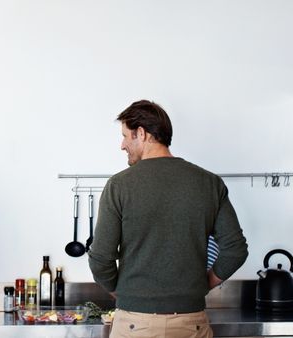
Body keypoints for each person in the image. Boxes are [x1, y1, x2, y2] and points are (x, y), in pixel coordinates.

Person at [88, 100, 248, 338]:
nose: (122, 145)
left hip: (134, 324)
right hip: (191, 322)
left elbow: (101, 260)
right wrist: (202, 286)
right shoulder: (209, 183)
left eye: (125, 136)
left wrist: (124, 294)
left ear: (141, 133)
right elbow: (235, 251)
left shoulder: (119, 186)